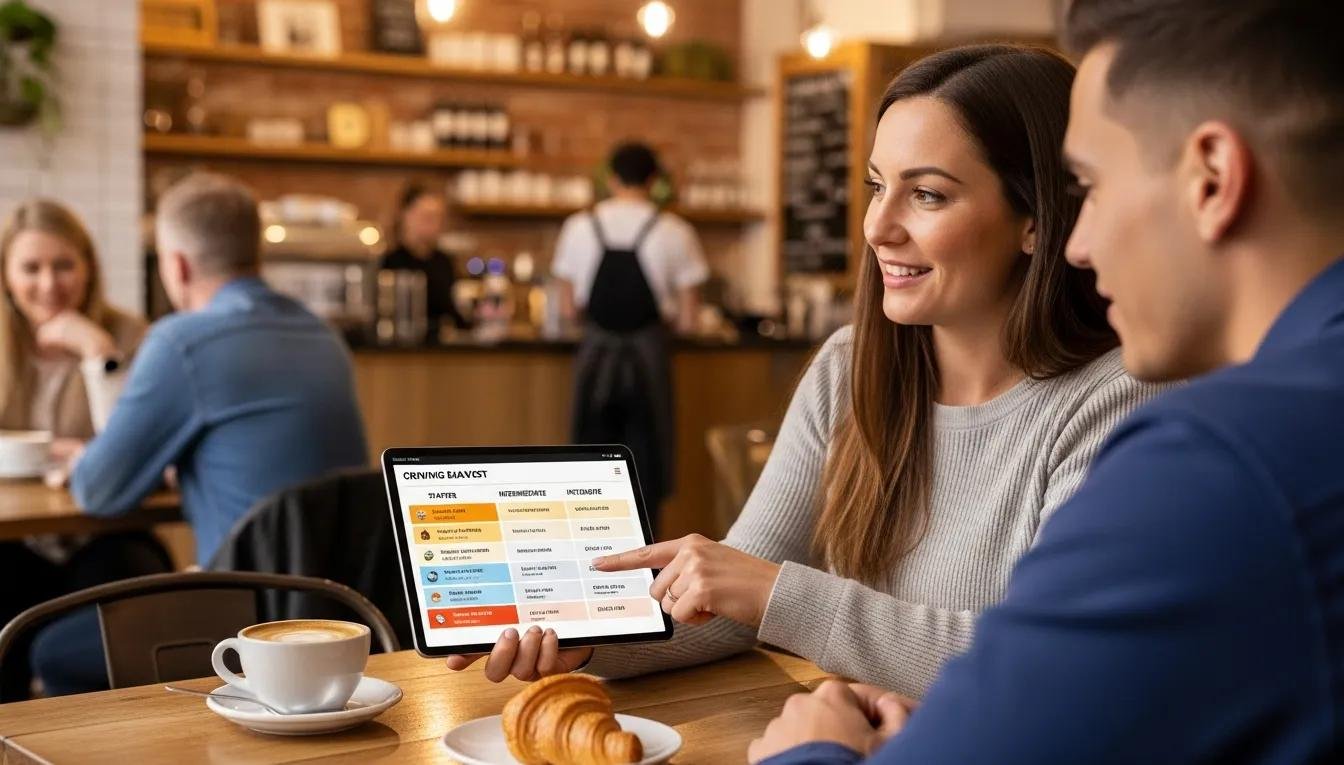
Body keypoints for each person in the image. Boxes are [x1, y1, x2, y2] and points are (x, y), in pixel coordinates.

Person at [446, 46, 1163, 698]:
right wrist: (593, 638)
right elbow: (731, 607)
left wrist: (776, 592)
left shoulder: (1116, 402)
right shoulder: (851, 367)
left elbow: (1052, 668)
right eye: (878, 186)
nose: (878, 227)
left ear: (1036, 218)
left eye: (928, 194)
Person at [749, 1, 1344, 763]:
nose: (1080, 244)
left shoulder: (1219, 459)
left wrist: (814, 750)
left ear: (1213, 178)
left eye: (1092, 188)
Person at [31, 173, 370, 695]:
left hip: (248, 616)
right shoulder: (324, 336)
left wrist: (90, 458)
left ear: (178, 265)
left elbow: (98, 490)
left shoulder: (183, 342)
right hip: (342, 610)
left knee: (49, 650)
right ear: (254, 252)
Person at [0, 200, 170, 700]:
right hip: (18, 540)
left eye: (64, 265)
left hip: (107, 533)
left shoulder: (130, 337)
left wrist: (98, 353)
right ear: (7, 275)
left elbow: (137, 452)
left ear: (89, 268)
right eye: (31, 268)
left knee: (125, 582)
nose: (49, 284)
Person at [552, 142, 708, 534]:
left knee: (587, 464)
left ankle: (591, 549)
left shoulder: (578, 226)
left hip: (595, 356)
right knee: (646, 465)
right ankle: (645, 555)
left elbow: (567, 310)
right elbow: (690, 320)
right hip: (648, 358)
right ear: (654, 181)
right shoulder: (676, 231)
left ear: (610, 178)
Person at [379, 183, 468, 336]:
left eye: (437, 217)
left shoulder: (444, 262)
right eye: (426, 216)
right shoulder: (388, 263)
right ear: (405, 215)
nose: (433, 224)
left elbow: (452, 313)